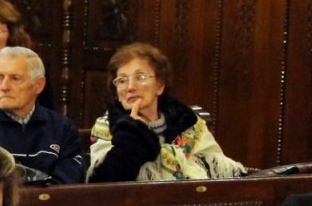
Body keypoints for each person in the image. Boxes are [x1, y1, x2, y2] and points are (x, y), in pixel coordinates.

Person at [87, 42, 245, 182]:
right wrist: (132, 135)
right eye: (122, 80)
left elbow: (218, 175)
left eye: (140, 77)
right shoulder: (108, 127)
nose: (130, 87)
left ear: (160, 85)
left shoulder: (189, 124)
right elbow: (103, 184)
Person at [0, 47, 84, 185]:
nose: (4, 87)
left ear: (39, 85)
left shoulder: (62, 128)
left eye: (15, 79)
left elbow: (66, 187)